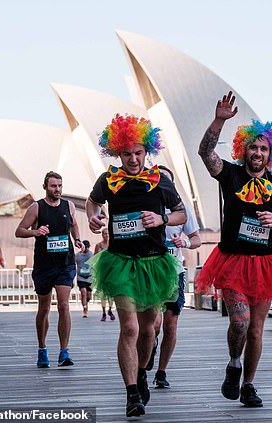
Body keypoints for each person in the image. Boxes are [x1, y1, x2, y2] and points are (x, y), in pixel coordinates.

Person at [196, 91, 272, 408]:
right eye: (253, 147)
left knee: (256, 330)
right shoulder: (230, 174)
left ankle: (249, 385)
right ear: (244, 150)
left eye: (263, 148)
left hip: (266, 262)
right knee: (239, 321)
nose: (258, 152)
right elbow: (205, 152)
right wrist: (219, 120)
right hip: (231, 260)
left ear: (271, 153)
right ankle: (233, 364)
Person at [86, 114, 186, 418]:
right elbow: (92, 201)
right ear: (117, 153)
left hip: (154, 264)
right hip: (120, 263)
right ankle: (132, 393)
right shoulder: (109, 180)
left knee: (147, 332)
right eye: (126, 153)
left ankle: (142, 371)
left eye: (138, 152)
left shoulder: (160, 181)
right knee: (128, 327)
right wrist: (93, 216)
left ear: (147, 152)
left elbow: (181, 213)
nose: (132, 159)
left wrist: (163, 219)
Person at [15, 171, 83, 368]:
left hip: (65, 263)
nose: (58, 190)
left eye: (60, 186)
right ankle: (42, 349)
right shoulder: (37, 207)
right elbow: (19, 231)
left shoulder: (68, 205)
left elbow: (74, 225)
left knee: (64, 305)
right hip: (44, 265)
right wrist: (36, 232)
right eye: (54, 186)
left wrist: (77, 239)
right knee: (44, 308)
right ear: (45, 187)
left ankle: (64, 351)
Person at [146, 165, 202, 389]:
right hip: (150, 270)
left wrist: (185, 242)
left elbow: (196, 239)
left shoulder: (183, 210)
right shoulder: (147, 208)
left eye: (166, 181)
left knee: (170, 325)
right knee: (154, 324)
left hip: (174, 272)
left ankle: (161, 372)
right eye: (158, 180)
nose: (162, 184)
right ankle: (149, 348)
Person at [94, 229, 116, 321]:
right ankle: (103, 312)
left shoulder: (113, 244)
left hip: (112, 270)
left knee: (111, 293)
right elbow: (95, 257)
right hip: (102, 270)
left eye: (107, 233)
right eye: (104, 233)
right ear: (102, 235)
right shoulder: (99, 245)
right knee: (103, 292)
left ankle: (110, 309)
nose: (106, 235)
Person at [76, 240, 93, 318]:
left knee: (88, 296)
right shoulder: (77, 256)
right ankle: (85, 309)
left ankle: (86, 302)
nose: (86, 248)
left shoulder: (91, 254)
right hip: (80, 277)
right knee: (83, 292)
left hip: (89, 277)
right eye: (85, 247)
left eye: (88, 247)